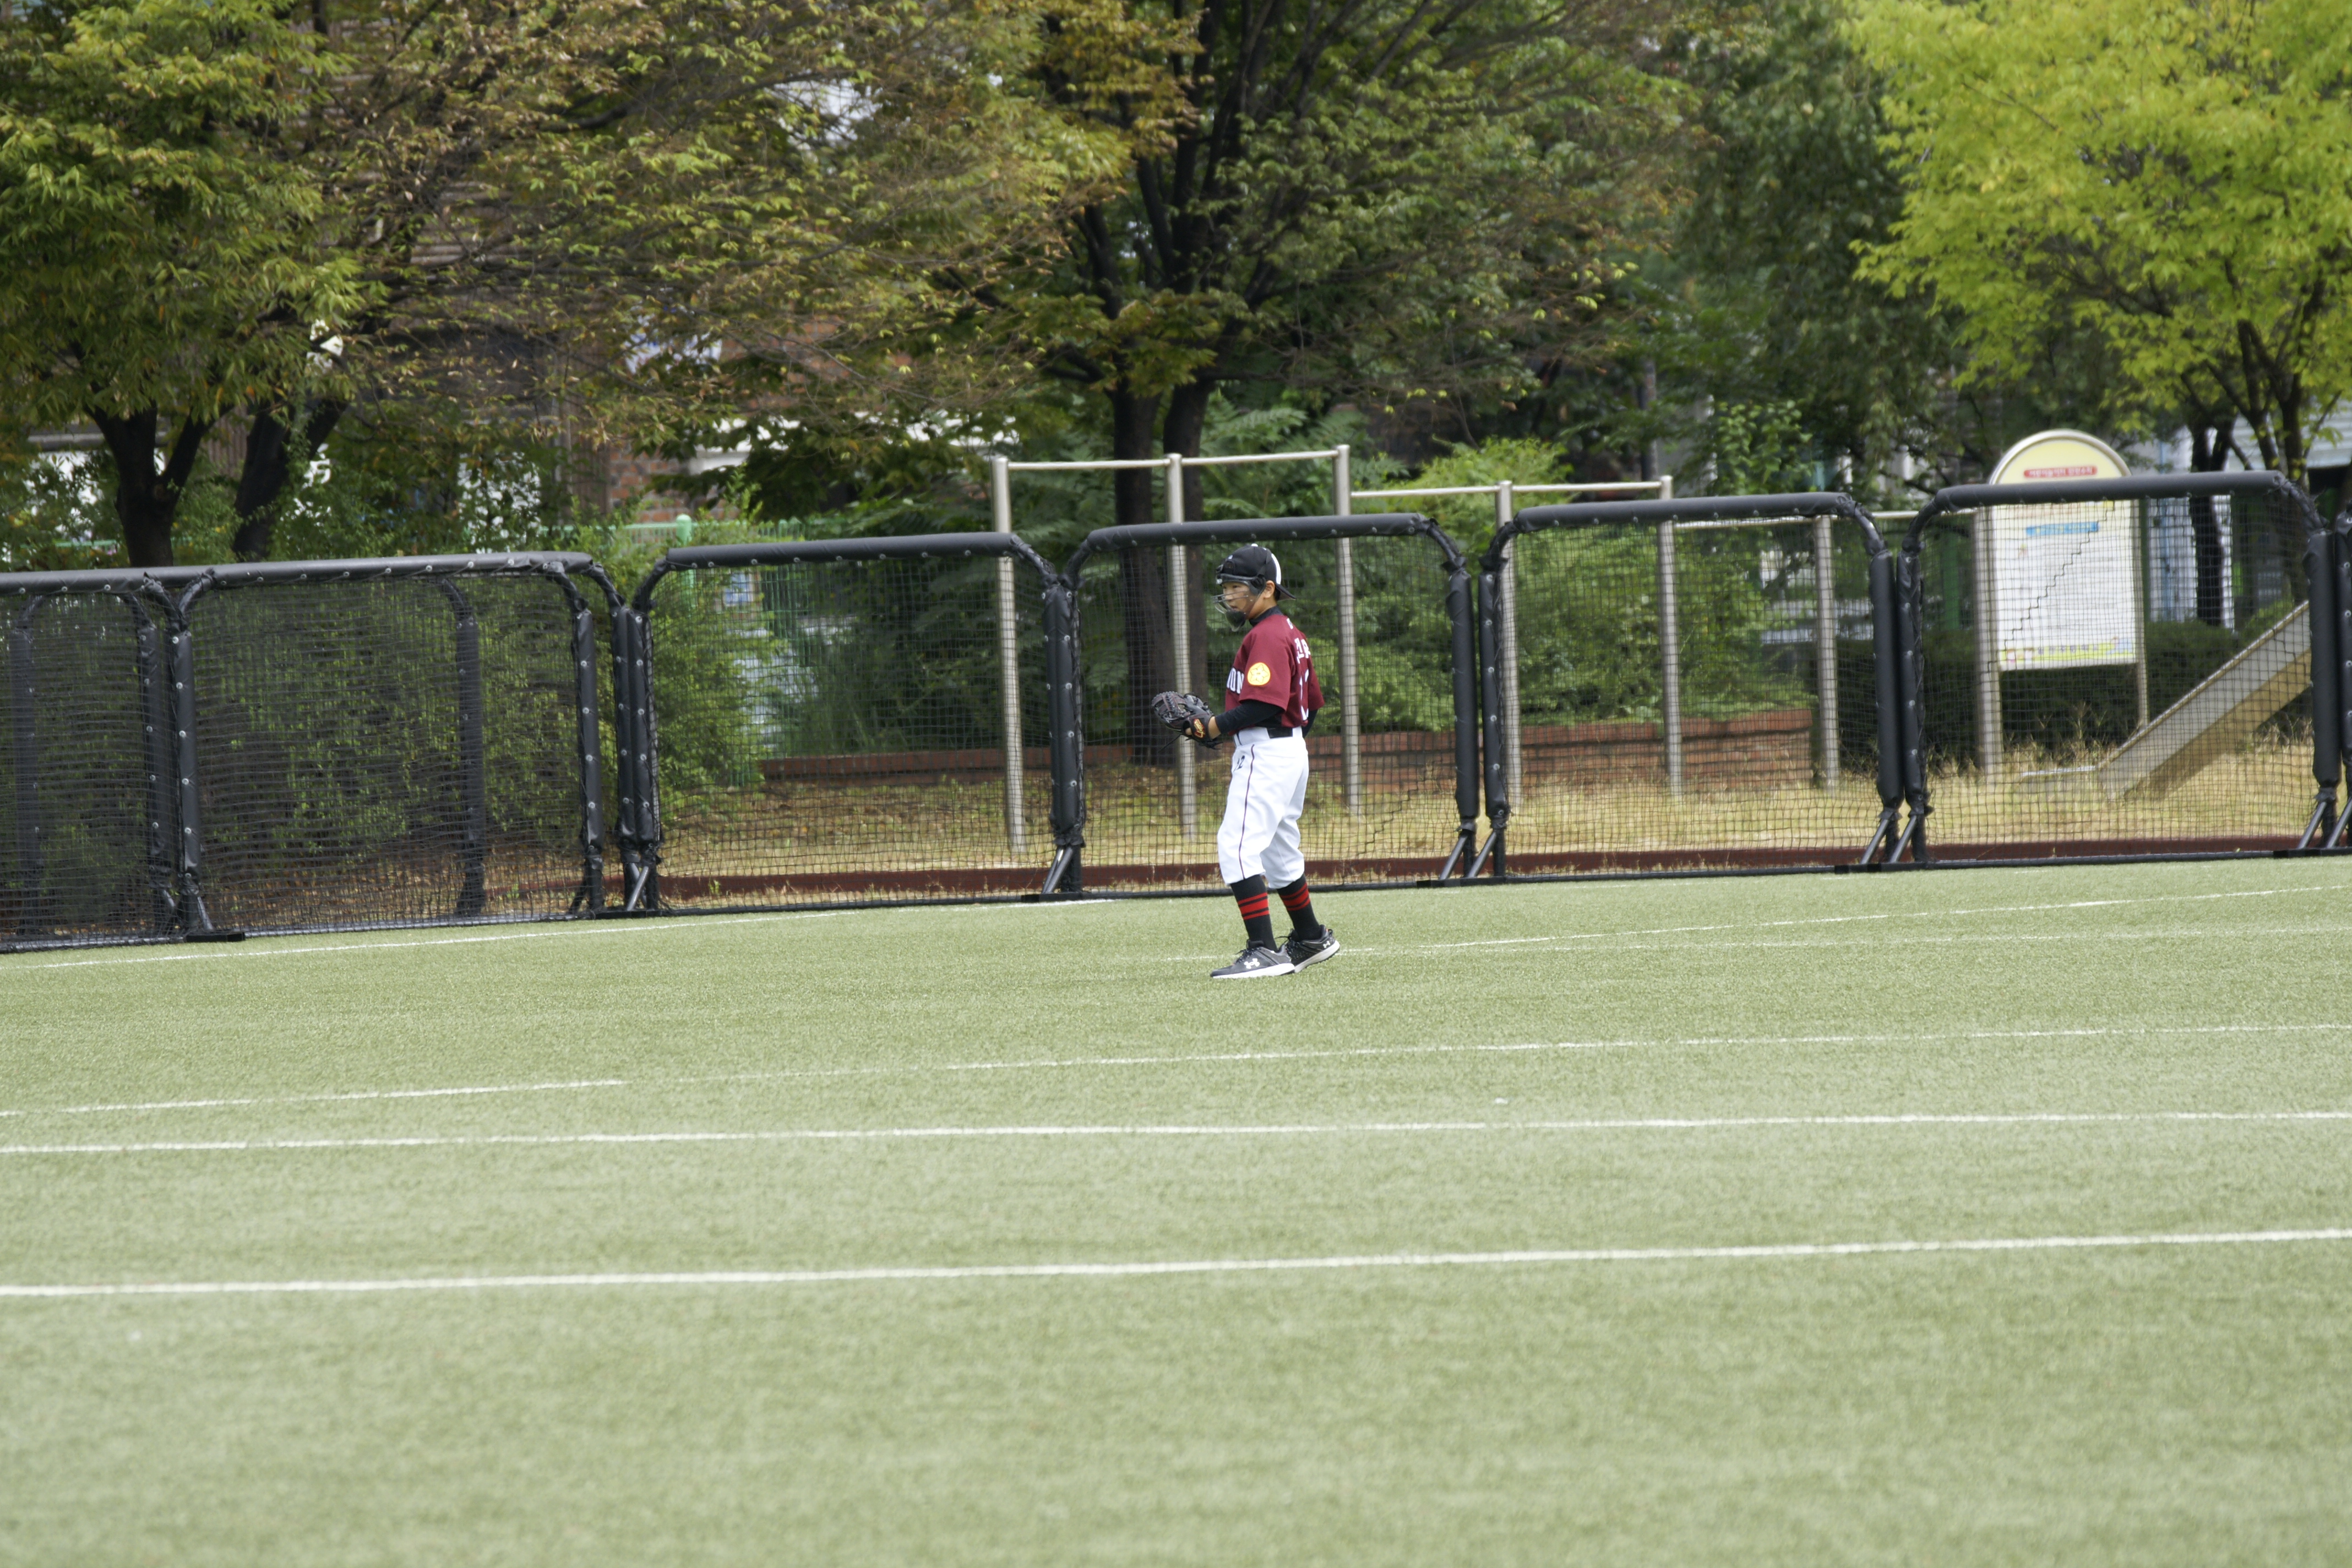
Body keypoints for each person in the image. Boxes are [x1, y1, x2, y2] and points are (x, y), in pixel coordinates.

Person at [1182, 545, 1341, 979]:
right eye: (1226, 587)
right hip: (1287, 750)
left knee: (1236, 846)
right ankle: (1311, 936)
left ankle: (1263, 950)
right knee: (1278, 851)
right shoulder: (1288, 631)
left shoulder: (1267, 635)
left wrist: (1212, 727)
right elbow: (1311, 706)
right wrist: (1287, 744)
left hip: (1267, 753)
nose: (1229, 595)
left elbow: (1263, 706)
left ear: (1267, 589)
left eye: (1238, 587)